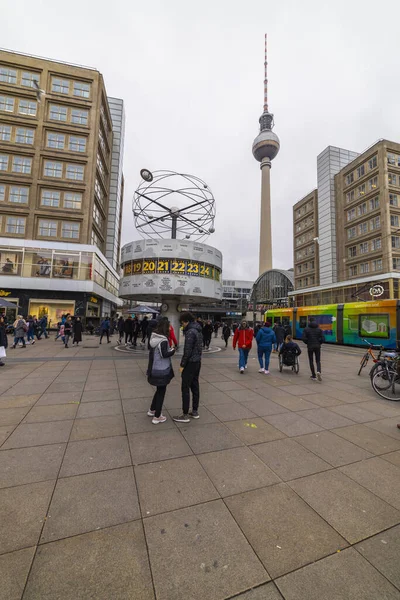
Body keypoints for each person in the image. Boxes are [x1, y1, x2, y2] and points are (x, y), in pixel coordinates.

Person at [173, 312, 203, 423]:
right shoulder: (198, 330)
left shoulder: (190, 332)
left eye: (183, 323)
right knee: (195, 386)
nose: (183, 325)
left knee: (185, 388)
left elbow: (187, 351)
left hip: (190, 363)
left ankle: (185, 414)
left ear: (187, 321)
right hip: (197, 362)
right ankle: (195, 411)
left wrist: (182, 365)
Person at [147, 317, 175, 424]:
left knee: (159, 390)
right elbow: (164, 354)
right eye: (168, 326)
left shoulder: (154, 337)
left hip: (154, 368)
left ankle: (152, 409)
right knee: (161, 392)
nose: (170, 328)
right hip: (162, 370)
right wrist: (172, 350)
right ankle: (157, 416)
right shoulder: (163, 340)